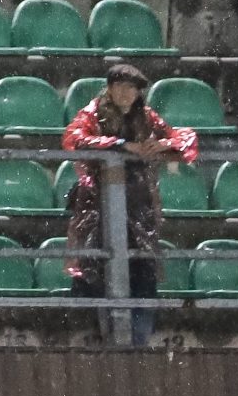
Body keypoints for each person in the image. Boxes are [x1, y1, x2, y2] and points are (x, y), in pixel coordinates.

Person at [61, 62, 200, 344]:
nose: (126, 94)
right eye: (120, 87)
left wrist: (163, 145)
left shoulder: (147, 117)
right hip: (97, 206)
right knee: (96, 271)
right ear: (110, 89)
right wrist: (122, 144)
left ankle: (136, 342)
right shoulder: (92, 113)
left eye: (132, 88)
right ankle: (102, 339)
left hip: (139, 208)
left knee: (141, 272)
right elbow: (74, 138)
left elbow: (187, 139)